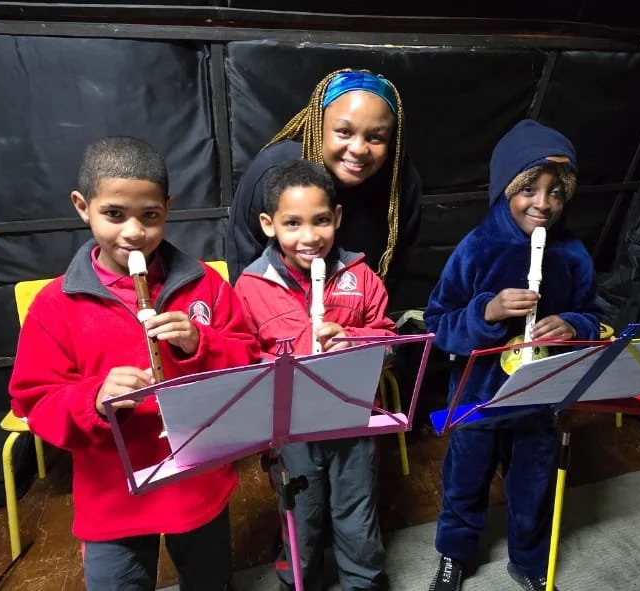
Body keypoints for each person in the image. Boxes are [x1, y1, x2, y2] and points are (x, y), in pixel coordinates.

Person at [9, 136, 259, 591]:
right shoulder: (55, 304)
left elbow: (248, 360)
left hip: (196, 480)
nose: (133, 233)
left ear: (167, 207)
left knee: (210, 581)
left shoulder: (206, 284)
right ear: (83, 206)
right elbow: (34, 401)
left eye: (150, 216)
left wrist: (200, 344)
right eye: (114, 215)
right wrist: (93, 400)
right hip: (113, 494)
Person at [423, 120, 602, 591]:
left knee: (534, 483)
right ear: (506, 189)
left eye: (555, 193)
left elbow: (591, 317)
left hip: (540, 398)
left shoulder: (573, 254)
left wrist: (571, 326)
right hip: (475, 396)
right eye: (529, 190)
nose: (543, 204)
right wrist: (488, 311)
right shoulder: (477, 247)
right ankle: (454, 555)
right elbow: (437, 323)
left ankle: (528, 558)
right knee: (464, 477)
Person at [233, 159, 396, 591]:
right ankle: (300, 579)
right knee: (299, 513)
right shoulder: (250, 286)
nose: (309, 237)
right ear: (269, 225)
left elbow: (389, 341)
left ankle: (363, 580)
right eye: (293, 223)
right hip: (291, 430)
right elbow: (242, 354)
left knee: (356, 511)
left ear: (337, 218)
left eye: (321, 220)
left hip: (351, 419)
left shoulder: (360, 276)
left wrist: (353, 339)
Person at [226, 68, 422, 294]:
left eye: (376, 137)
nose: (358, 149)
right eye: (344, 132)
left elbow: (395, 268)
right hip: (276, 316)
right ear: (319, 125)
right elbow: (243, 263)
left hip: (358, 317)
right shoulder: (273, 170)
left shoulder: (401, 182)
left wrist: (365, 327)